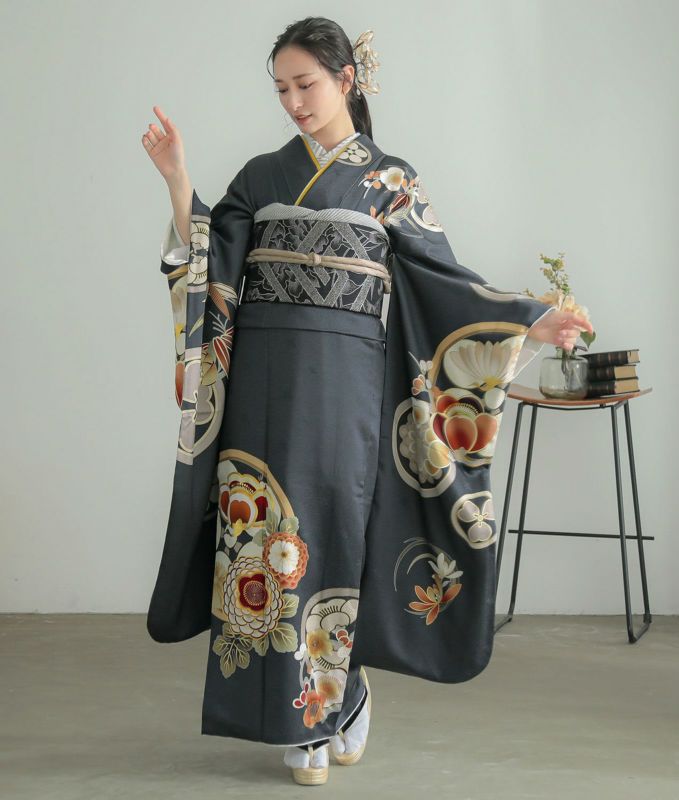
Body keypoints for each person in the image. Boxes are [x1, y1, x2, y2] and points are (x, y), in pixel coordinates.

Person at [141, 16, 592, 787]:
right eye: (281, 89)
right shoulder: (261, 177)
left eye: (305, 85)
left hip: (347, 389)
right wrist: (179, 181)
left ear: (346, 80)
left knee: (335, 535)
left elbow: (448, 284)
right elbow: (213, 269)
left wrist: (529, 319)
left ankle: (336, 698)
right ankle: (300, 718)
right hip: (260, 390)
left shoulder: (392, 182)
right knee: (267, 542)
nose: (293, 102)